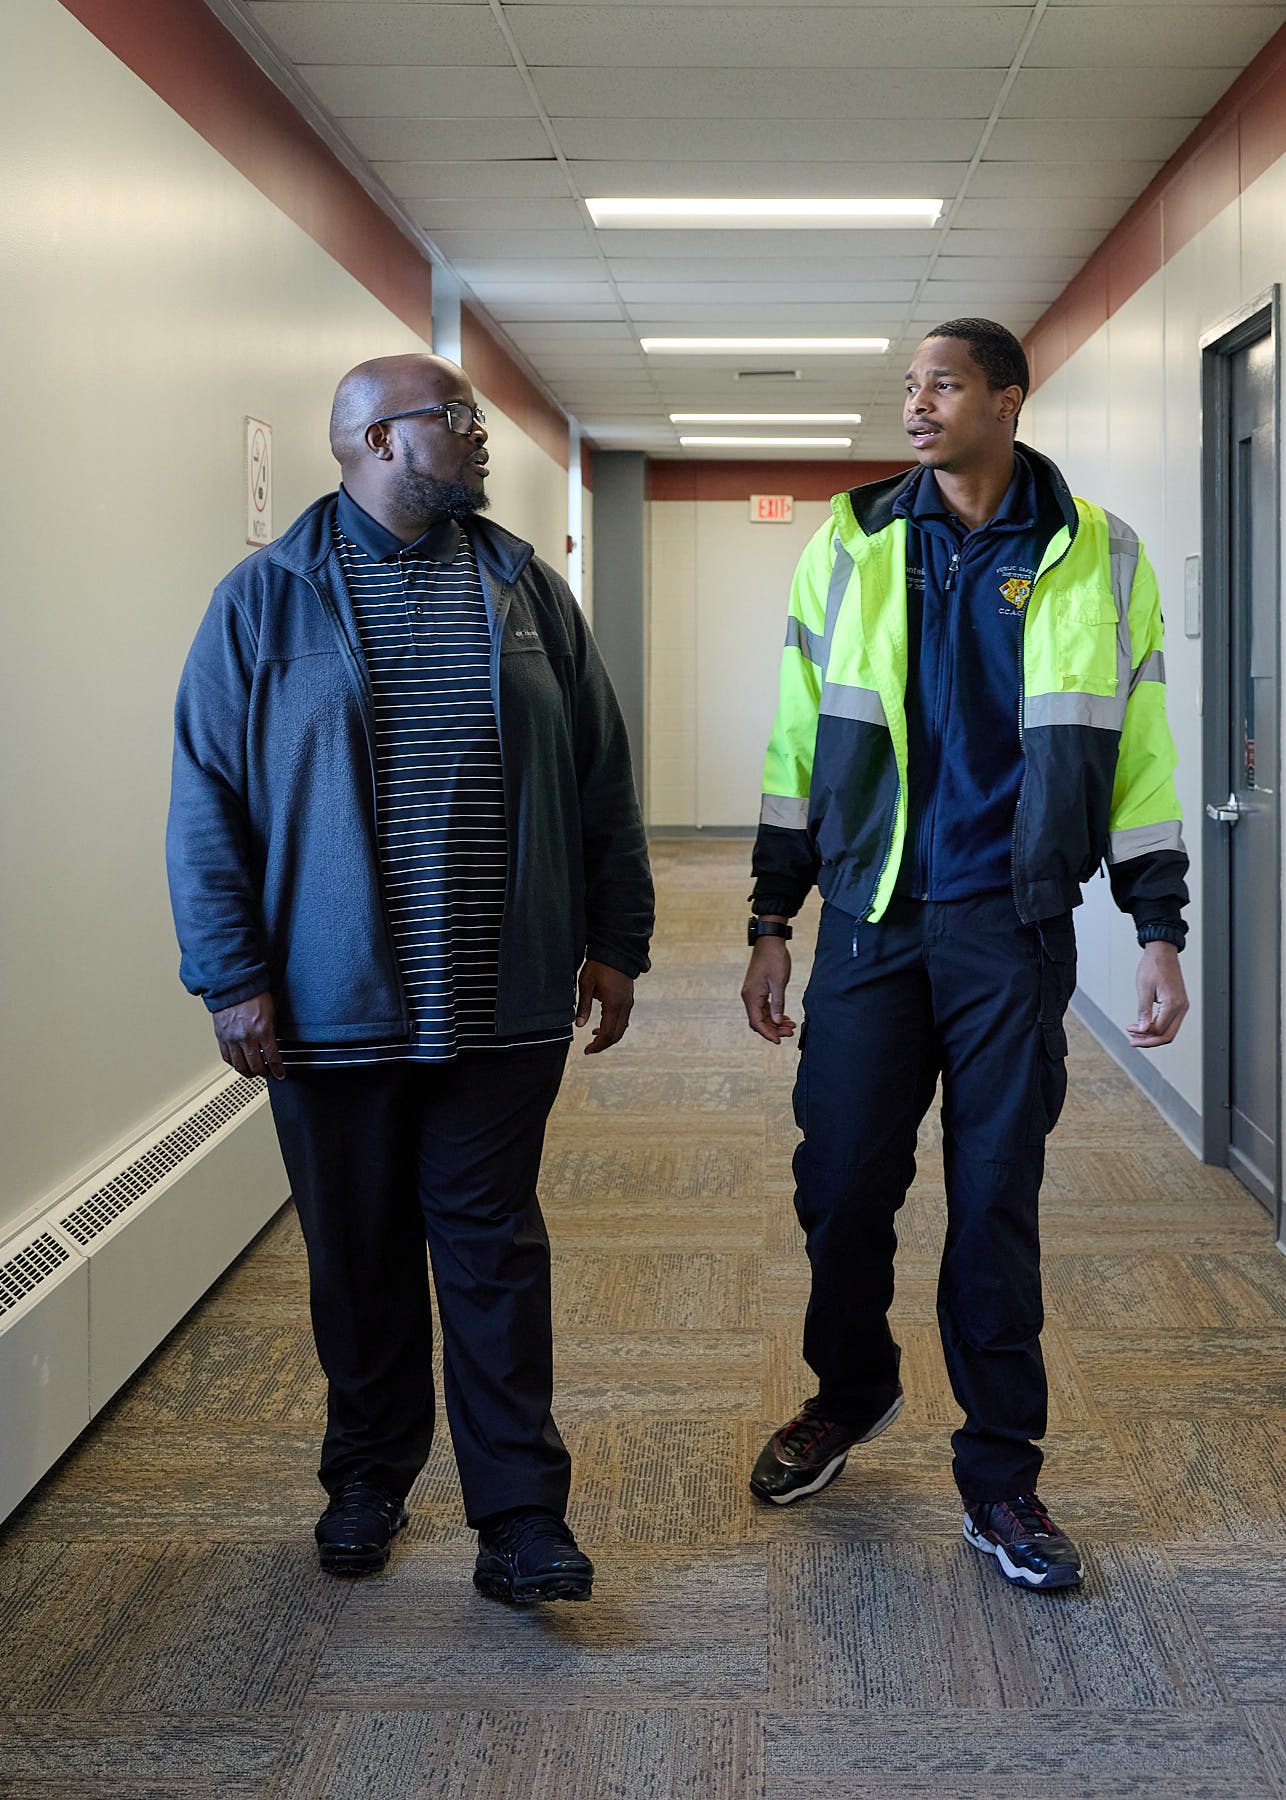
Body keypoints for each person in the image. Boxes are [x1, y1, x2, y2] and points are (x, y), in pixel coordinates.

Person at [167, 353, 653, 1601]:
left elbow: (600, 772)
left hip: (505, 991)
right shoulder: (262, 601)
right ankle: (366, 1479)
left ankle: (518, 1519)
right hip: (331, 1003)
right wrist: (230, 975)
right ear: (376, 440)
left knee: (492, 1253)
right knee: (359, 1253)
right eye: (458, 419)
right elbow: (206, 803)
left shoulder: (525, 589)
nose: (481, 438)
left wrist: (616, 933)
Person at [740, 318, 1188, 1591]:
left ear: (1005, 397)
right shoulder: (854, 539)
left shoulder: (1098, 551)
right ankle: (850, 1390)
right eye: (906, 385)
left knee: (992, 1203)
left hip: (1009, 926)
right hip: (871, 923)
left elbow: (1139, 751)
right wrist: (773, 919)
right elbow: (796, 741)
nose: (916, 403)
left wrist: (1156, 927)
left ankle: (1001, 1477)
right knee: (839, 1182)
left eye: (941, 382)